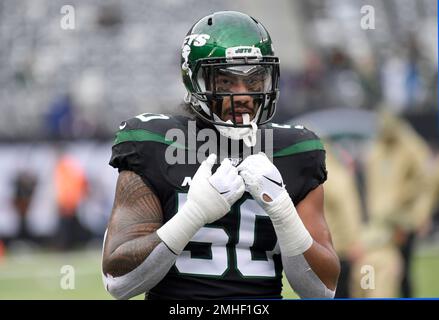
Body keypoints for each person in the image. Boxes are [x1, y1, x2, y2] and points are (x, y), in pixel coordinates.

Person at [101, 11, 340, 300]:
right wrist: (192, 215)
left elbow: (322, 291)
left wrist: (282, 210)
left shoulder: (295, 150)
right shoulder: (153, 142)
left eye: (254, 81)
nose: (242, 95)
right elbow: (119, 282)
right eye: (225, 82)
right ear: (195, 81)